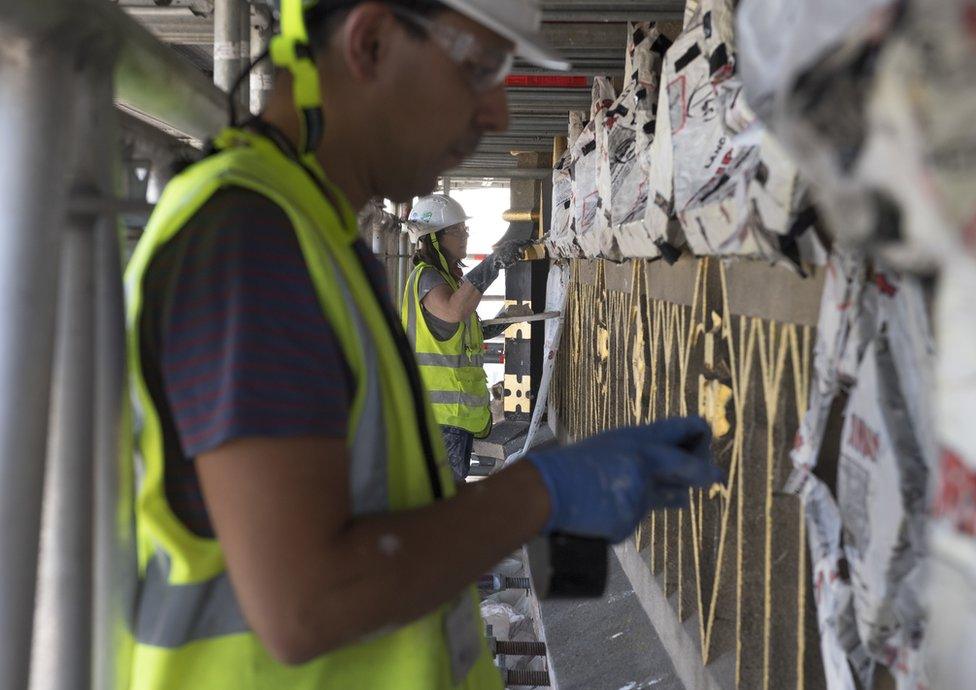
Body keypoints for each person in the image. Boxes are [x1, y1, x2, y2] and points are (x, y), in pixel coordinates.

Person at [122, 1, 724, 688]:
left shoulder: (310, 233)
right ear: (372, 42)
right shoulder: (254, 244)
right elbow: (305, 605)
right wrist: (538, 494)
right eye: (477, 68)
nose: (496, 113)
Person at [401, 194, 526, 481]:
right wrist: (493, 264)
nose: (464, 235)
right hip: (439, 420)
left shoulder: (446, 280)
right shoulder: (427, 277)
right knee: (443, 503)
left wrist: (504, 321)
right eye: (457, 230)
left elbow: (462, 333)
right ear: (433, 238)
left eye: (464, 229)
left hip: (452, 419)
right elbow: (455, 311)